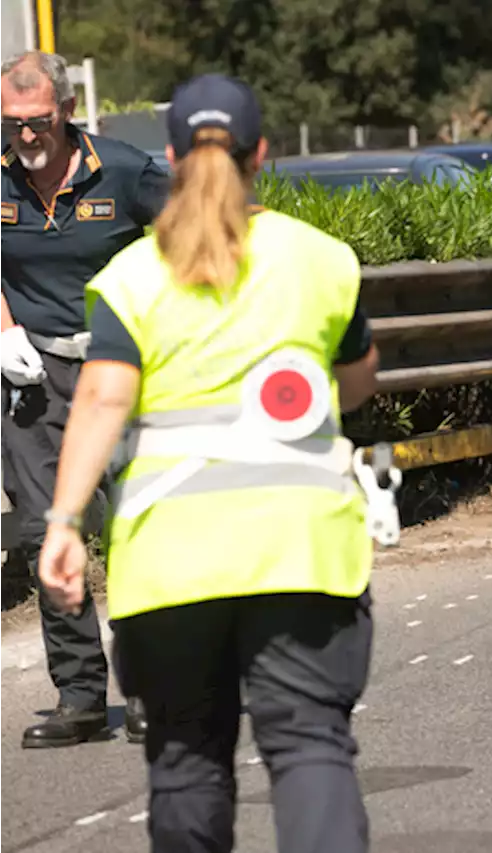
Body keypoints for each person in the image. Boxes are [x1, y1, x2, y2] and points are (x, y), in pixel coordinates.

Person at [36, 73, 382, 853]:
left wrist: (62, 523)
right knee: (309, 746)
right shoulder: (320, 258)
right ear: (262, 153)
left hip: (172, 565)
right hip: (303, 554)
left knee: (188, 758)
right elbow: (359, 382)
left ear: (170, 155)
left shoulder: (135, 274)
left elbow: (98, 402)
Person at [0, 49, 168, 748]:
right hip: (31, 380)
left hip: (118, 371)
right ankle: (78, 696)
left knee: (134, 531)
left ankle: (155, 687)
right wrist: (4, 330)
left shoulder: (126, 171)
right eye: (12, 125)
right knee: (47, 531)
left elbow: (189, 246)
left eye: (38, 122)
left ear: (67, 111)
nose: (26, 138)